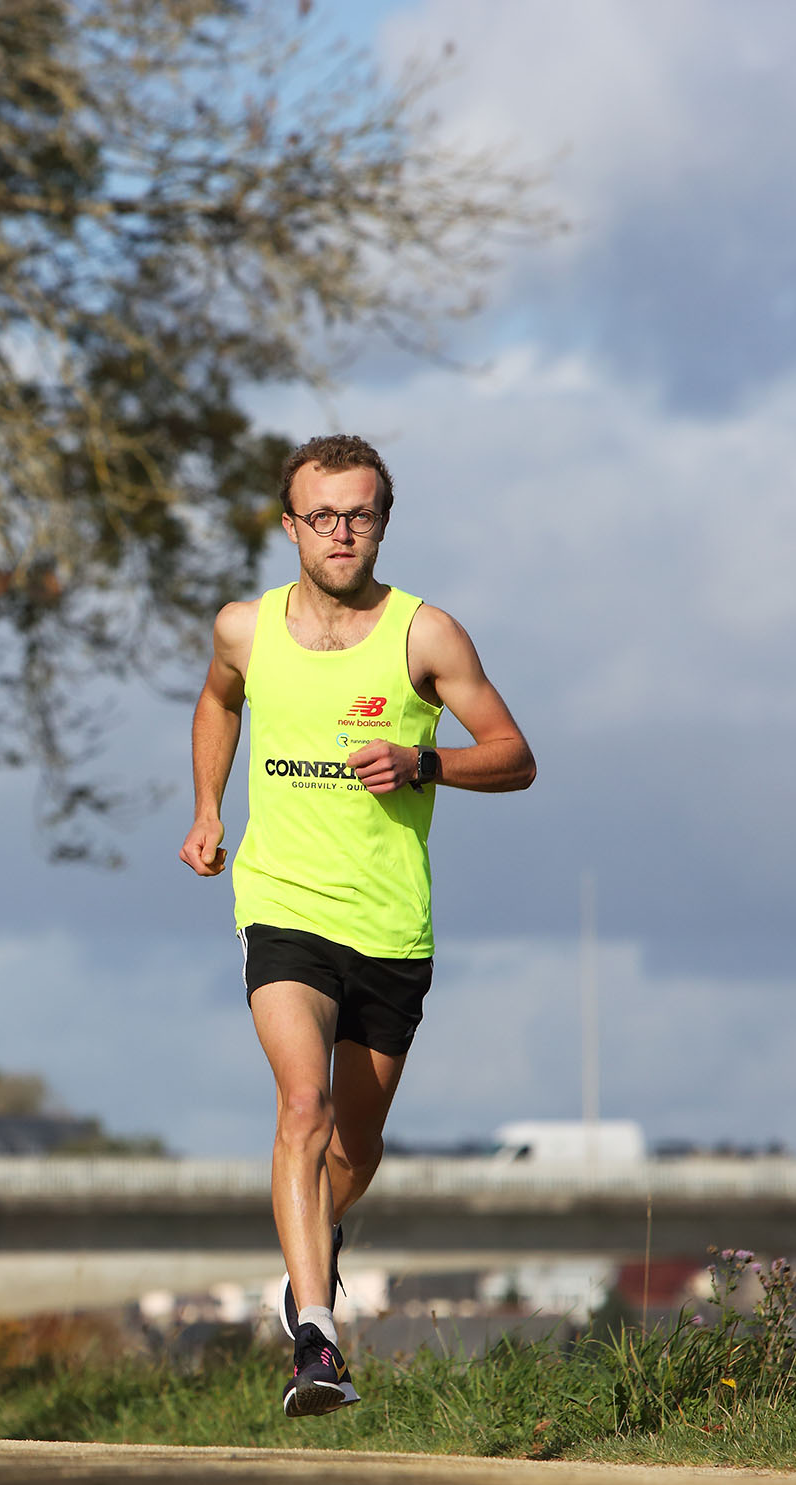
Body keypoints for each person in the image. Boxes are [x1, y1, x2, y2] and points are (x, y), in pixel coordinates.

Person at [179, 434, 535, 1417]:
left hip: (389, 926)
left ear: (382, 519)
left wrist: (424, 763)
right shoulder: (243, 630)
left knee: (353, 1151)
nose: (341, 532)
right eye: (321, 515)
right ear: (288, 524)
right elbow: (216, 702)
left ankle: (308, 1253)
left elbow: (512, 755)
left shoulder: (425, 636)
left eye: (359, 513)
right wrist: (207, 809)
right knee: (303, 1108)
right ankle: (316, 1340)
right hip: (281, 905)